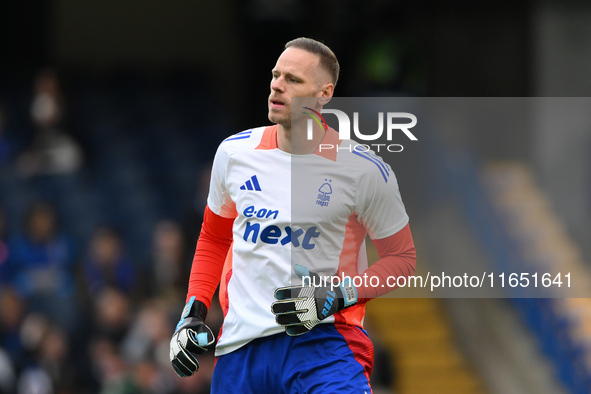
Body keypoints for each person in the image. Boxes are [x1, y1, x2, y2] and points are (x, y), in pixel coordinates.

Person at [170, 37, 416, 393]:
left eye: (293, 80)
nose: (277, 85)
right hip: (241, 352)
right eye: (276, 75)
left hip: (326, 345)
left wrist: (337, 293)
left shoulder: (363, 169)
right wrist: (192, 313)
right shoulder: (234, 154)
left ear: (324, 94)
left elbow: (402, 259)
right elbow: (214, 237)